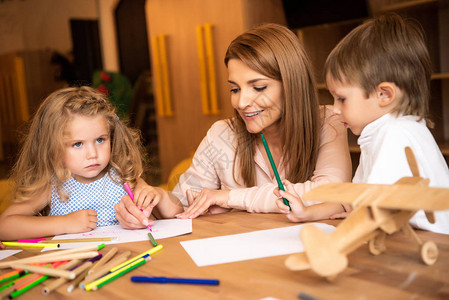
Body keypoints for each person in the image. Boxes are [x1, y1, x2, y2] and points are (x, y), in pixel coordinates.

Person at [167, 23, 351, 220]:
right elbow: (183, 203)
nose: (242, 102)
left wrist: (229, 198)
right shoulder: (222, 134)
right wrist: (159, 199)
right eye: (235, 89)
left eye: (259, 87)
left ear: (292, 85)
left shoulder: (329, 121)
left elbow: (331, 193)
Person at [304, 13, 448, 234]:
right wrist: (314, 212)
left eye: (341, 98)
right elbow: (361, 197)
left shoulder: (395, 134)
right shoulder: (379, 133)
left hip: (433, 244)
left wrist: (360, 215)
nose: (334, 108)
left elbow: (376, 203)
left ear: (384, 94)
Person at [0, 86, 182, 240]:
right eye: (78, 144)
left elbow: (176, 211)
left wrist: (158, 195)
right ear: (52, 147)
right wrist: (64, 223)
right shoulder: (54, 185)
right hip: (74, 268)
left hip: (124, 261)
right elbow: (5, 225)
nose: (93, 154)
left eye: (100, 140)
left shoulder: (122, 178)